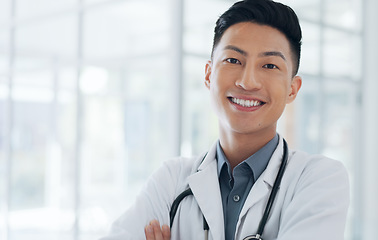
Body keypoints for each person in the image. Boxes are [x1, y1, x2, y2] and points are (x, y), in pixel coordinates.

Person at [100, 0, 349, 239]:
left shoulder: (320, 179)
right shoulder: (171, 180)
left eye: (270, 65)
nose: (247, 81)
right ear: (209, 75)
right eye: (233, 60)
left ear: (292, 89)